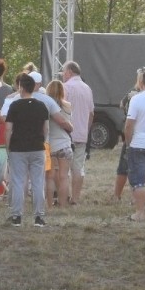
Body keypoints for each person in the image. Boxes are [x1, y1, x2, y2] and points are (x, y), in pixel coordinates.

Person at [6, 73, 50, 227]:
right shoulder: (41, 106)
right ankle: (39, 216)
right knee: (38, 182)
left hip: (18, 148)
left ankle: (17, 216)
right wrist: (42, 141)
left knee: (18, 181)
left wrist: (7, 147)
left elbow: (8, 130)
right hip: (37, 147)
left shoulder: (14, 106)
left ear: (21, 88)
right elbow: (46, 128)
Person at [123, 67, 145, 222]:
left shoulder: (136, 99)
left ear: (141, 82)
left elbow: (129, 124)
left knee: (138, 181)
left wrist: (128, 142)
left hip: (139, 144)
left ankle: (140, 213)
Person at [62, 60, 94, 205]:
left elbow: (61, 110)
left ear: (69, 72)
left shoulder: (66, 87)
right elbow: (91, 113)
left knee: (64, 169)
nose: (63, 75)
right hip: (82, 133)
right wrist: (86, 129)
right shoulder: (87, 88)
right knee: (78, 167)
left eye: (63, 72)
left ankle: (64, 196)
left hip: (66, 133)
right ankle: (75, 198)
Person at [114, 69, 144, 201]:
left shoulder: (132, 94)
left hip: (132, 135)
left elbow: (121, 105)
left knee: (124, 167)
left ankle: (117, 195)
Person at [45, 79, 73, 209]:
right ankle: (63, 204)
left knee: (50, 177)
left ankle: (49, 203)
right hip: (64, 144)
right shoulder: (67, 106)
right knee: (64, 176)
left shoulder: (45, 106)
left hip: (49, 145)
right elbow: (67, 124)